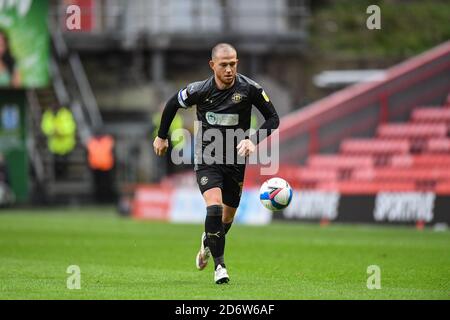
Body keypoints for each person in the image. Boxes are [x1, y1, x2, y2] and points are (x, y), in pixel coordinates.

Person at [153, 43, 279, 284]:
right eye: (224, 65)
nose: (229, 69)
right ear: (213, 66)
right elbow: (172, 104)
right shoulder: (199, 90)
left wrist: (254, 140)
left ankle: (207, 242)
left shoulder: (251, 89)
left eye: (233, 64)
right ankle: (220, 267)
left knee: (227, 218)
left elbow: (273, 118)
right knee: (214, 207)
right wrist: (161, 136)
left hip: (235, 161)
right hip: (207, 159)